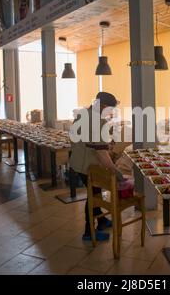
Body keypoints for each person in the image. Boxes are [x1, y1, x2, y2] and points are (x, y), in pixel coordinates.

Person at [69, 92, 125, 241]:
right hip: (87, 165)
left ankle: (101, 221)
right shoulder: (98, 121)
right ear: (104, 106)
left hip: (77, 160)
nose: (112, 112)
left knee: (96, 192)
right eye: (111, 108)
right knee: (93, 196)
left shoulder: (82, 113)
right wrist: (115, 171)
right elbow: (101, 154)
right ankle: (89, 232)